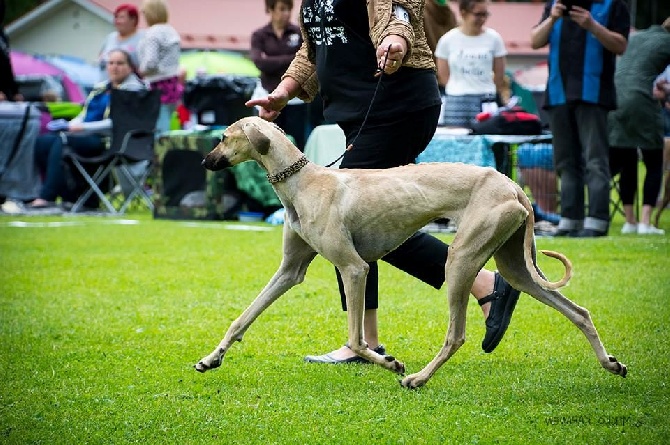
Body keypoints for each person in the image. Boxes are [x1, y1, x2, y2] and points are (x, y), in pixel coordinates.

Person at [247, 0, 521, 363]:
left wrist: (396, 41)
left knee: (350, 222)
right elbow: (315, 49)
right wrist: (283, 92)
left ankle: (480, 287)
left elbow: (400, 14)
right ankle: (369, 338)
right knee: (356, 222)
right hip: (358, 113)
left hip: (397, 106)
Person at [530, 0, 630, 237]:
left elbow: (621, 45)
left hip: (593, 94)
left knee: (595, 160)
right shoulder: (555, 4)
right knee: (565, 161)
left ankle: (596, 220)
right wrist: (553, 18)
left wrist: (591, 25)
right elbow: (535, 41)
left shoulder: (613, 4)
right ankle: (570, 220)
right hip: (558, 93)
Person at [27, 49, 146, 209]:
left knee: (62, 142)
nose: (114, 67)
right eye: (110, 63)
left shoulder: (133, 90)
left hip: (110, 141)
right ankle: (68, 196)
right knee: (43, 142)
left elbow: (118, 123)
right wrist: (68, 125)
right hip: (87, 135)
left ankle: (46, 196)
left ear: (131, 67)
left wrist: (80, 127)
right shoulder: (102, 88)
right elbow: (85, 114)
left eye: (120, 63)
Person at [608, 18, 670, 235]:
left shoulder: (638, 37)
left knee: (628, 161)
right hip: (642, 101)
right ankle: (645, 223)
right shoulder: (667, 41)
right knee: (654, 160)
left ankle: (630, 222)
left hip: (615, 101)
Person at [434, 0, 507, 128]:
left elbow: (499, 75)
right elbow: (443, 75)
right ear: (464, 13)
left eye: (485, 14)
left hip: (485, 100)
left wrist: (486, 87)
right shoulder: (447, 40)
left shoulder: (494, 39)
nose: (482, 19)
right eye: (478, 14)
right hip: (456, 101)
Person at [250, 0, 306, 149]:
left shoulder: (299, 33)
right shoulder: (259, 35)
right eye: (281, 9)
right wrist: (291, 58)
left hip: (295, 99)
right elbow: (259, 62)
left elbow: (305, 60)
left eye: (288, 9)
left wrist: (270, 60)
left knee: (295, 143)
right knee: (269, 143)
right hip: (266, 95)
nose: (286, 14)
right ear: (271, 9)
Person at [138, 0, 182, 134]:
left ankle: (159, 152)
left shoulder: (153, 33)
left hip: (158, 85)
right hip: (172, 82)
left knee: (159, 125)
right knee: (168, 120)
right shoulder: (171, 30)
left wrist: (141, 71)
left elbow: (151, 61)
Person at [98, 4, 143, 82]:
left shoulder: (143, 38)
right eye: (116, 17)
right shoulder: (110, 37)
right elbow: (101, 57)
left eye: (121, 17)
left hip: (129, 90)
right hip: (104, 87)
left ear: (133, 20)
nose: (117, 21)